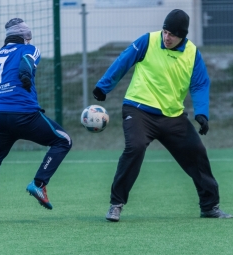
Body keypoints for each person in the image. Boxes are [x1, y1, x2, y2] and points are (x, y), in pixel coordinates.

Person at [93, 9, 232, 221]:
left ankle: (210, 207)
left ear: (183, 36)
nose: (167, 37)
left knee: (197, 153)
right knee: (135, 147)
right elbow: (124, 61)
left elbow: (200, 84)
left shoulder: (192, 53)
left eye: (172, 35)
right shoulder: (148, 41)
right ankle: (116, 204)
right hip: (138, 110)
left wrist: (202, 113)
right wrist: (103, 86)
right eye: (165, 31)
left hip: (173, 116)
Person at [0, 18, 72, 223]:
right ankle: (38, 183)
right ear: (25, 37)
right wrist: (25, 74)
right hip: (26, 115)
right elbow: (26, 63)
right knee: (63, 141)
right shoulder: (29, 49)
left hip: (0, 118)